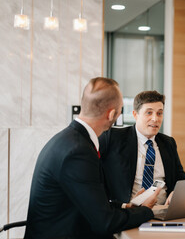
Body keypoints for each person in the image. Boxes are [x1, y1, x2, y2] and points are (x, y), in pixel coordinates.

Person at [25, 77, 159, 239]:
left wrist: (127, 206)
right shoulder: (78, 152)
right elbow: (105, 222)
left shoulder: (68, 139)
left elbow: (91, 200)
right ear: (111, 114)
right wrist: (146, 211)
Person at [99, 90, 185, 206]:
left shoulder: (168, 143)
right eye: (149, 113)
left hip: (163, 210)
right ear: (135, 115)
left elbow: (181, 180)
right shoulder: (112, 138)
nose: (155, 119)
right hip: (129, 211)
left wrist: (176, 192)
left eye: (159, 113)